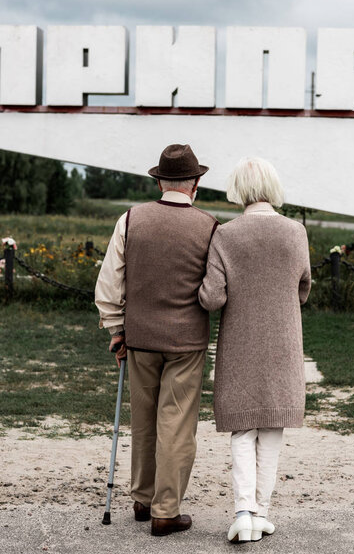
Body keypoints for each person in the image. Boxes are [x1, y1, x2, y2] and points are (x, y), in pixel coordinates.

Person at [95, 144, 219, 537]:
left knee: (143, 420)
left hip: (141, 337)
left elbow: (110, 281)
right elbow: (214, 288)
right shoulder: (209, 225)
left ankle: (142, 499)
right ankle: (167, 510)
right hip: (186, 341)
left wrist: (116, 329)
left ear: (160, 180)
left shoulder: (131, 219)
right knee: (177, 425)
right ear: (195, 183)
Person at [198, 157, 312, 543]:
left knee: (243, 428)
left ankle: (243, 512)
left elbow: (212, 298)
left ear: (239, 190)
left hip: (240, 344)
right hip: (283, 341)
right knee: (273, 427)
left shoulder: (225, 235)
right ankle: (261, 512)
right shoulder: (295, 232)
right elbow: (303, 287)